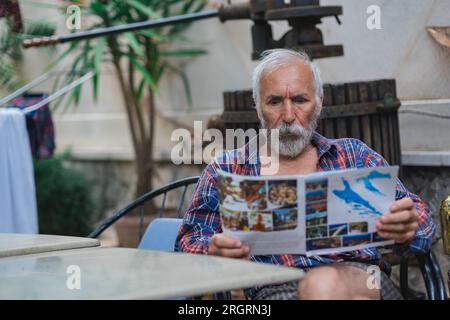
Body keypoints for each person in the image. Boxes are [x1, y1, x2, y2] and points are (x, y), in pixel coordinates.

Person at [175, 49, 435, 300]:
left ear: (319, 103)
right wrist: (211, 250)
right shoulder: (228, 169)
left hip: (363, 279)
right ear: (258, 107)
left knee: (325, 285)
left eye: (300, 100)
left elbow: (423, 225)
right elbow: (187, 244)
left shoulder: (354, 156)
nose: (288, 116)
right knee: (322, 288)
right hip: (274, 287)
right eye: (275, 101)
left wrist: (407, 227)